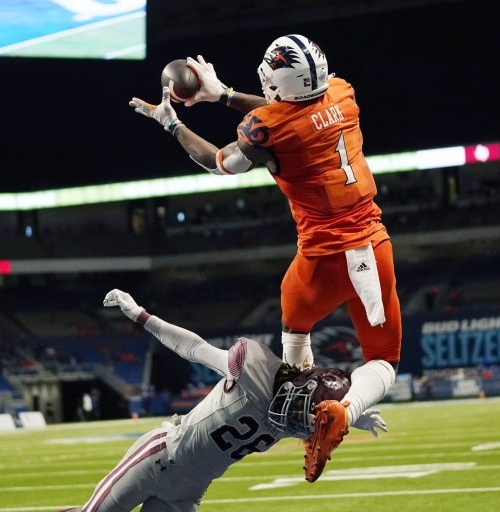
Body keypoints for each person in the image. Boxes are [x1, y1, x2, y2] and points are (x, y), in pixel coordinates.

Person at [129, 34, 401, 479]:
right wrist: (225, 96)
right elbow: (300, 113)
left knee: (295, 334)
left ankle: (307, 417)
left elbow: (218, 160)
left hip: (320, 260)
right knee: (383, 360)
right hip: (373, 245)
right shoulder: (343, 92)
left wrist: (171, 124)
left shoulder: (269, 128)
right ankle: (344, 412)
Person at [60, 289, 387, 512]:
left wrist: (351, 414)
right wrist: (140, 315)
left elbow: (316, 416)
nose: (299, 424)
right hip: (160, 457)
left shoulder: (298, 416)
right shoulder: (252, 372)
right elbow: (194, 348)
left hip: (191, 487)